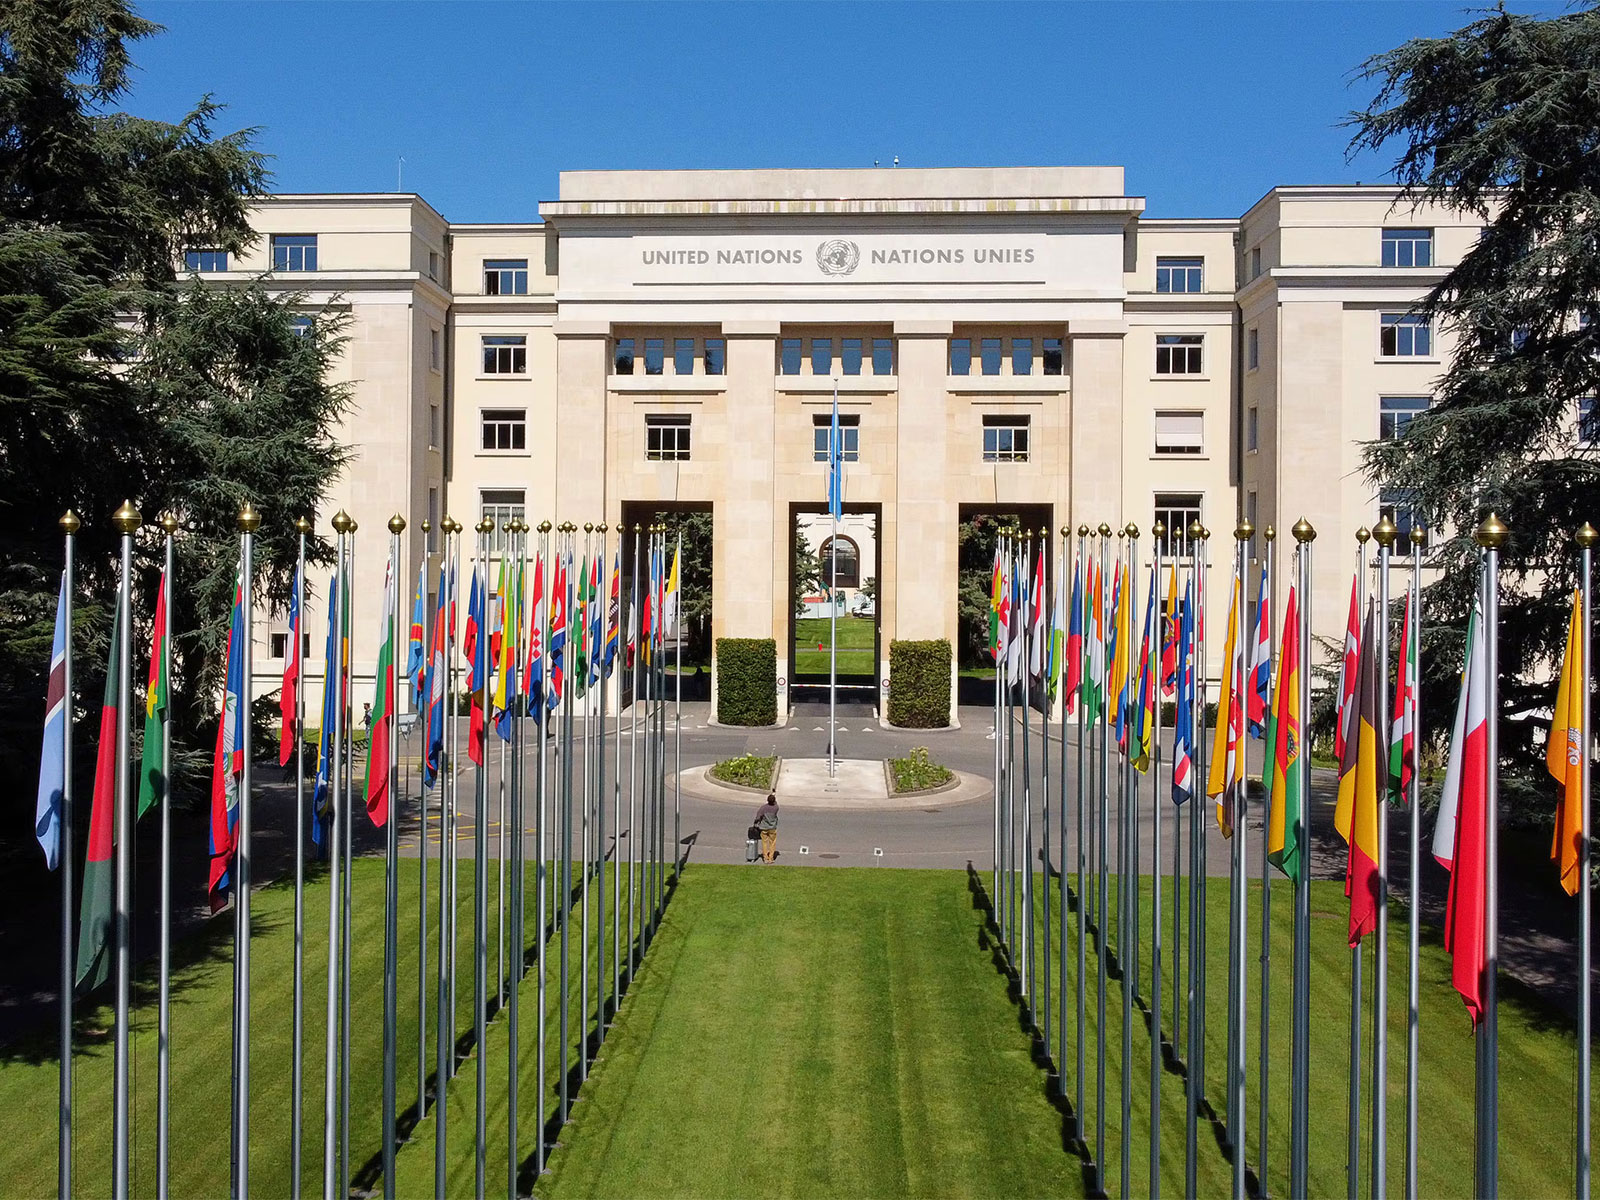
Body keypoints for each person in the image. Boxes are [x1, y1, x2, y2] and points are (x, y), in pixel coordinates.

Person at [753, 793, 779, 864]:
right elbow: (776, 803)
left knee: (764, 843)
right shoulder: (776, 808)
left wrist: (756, 822)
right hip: (772, 827)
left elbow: (758, 816)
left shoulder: (763, 808)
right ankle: (771, 858)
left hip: (764, 827)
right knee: (772, 843)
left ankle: (765, 858)